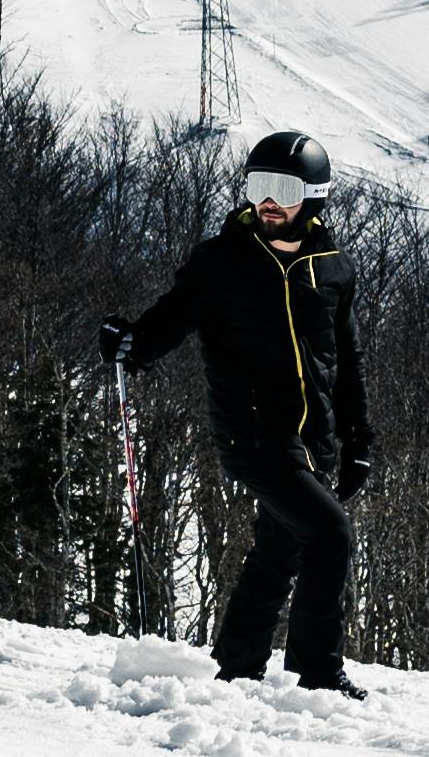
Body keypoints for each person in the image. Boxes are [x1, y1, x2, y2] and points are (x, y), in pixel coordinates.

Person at [101, 130, 373, 699]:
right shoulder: (223, 261)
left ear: (314, 197)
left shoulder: (333, 269)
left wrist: (358, 442)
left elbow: (346, 362)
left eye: (283, 189)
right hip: (253, 434)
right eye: (258, 186)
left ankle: (236, 666)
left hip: (313, 440)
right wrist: (132, 342)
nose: (268, 201)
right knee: (330, 534)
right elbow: (172, 317)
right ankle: (317, 675)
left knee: (280, 549)